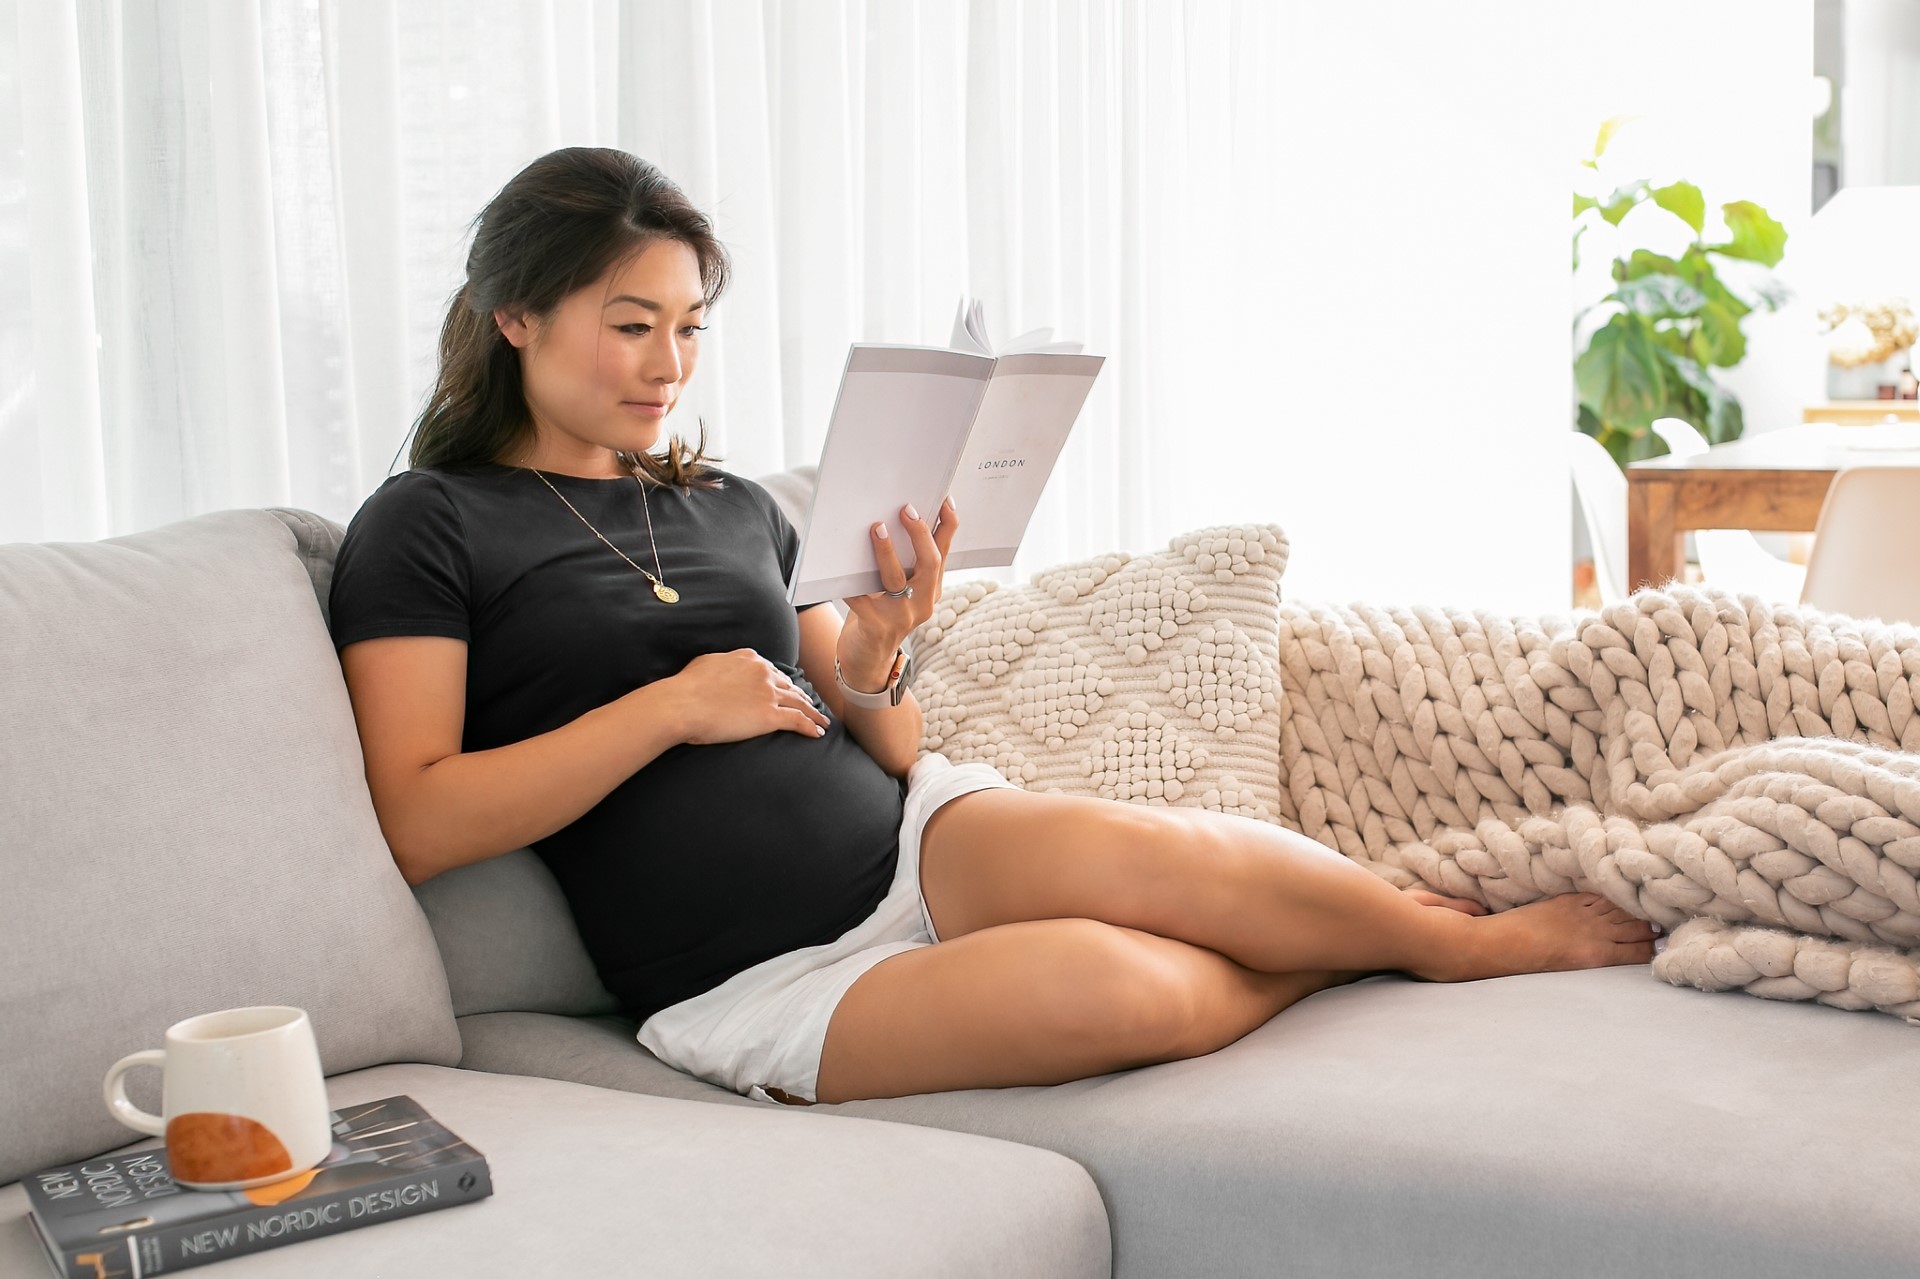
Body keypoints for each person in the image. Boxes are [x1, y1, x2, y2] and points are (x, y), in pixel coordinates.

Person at [328, 147, 1659, 1109]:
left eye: (688, 327)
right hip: (751, 972)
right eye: (632, 326)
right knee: (1126, 993)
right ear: (515, 317)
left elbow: (882, 731)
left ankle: (1447, 943)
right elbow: (421, 818)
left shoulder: (730, 505)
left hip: (915, 837)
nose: (670, 365)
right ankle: (1324, 962)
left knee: (1186, 858)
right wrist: (669, 707)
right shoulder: (430, 524)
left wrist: (883, 643)